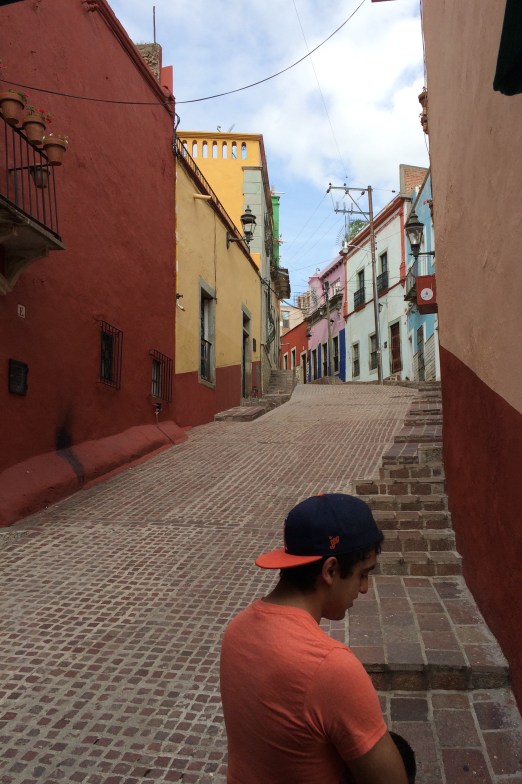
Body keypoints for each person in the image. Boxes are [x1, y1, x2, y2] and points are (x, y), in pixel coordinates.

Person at [220, 493, 410, 784]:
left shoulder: (236, 629)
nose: (364, 589)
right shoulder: (330, 666)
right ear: (330, 570)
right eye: (363, 574)